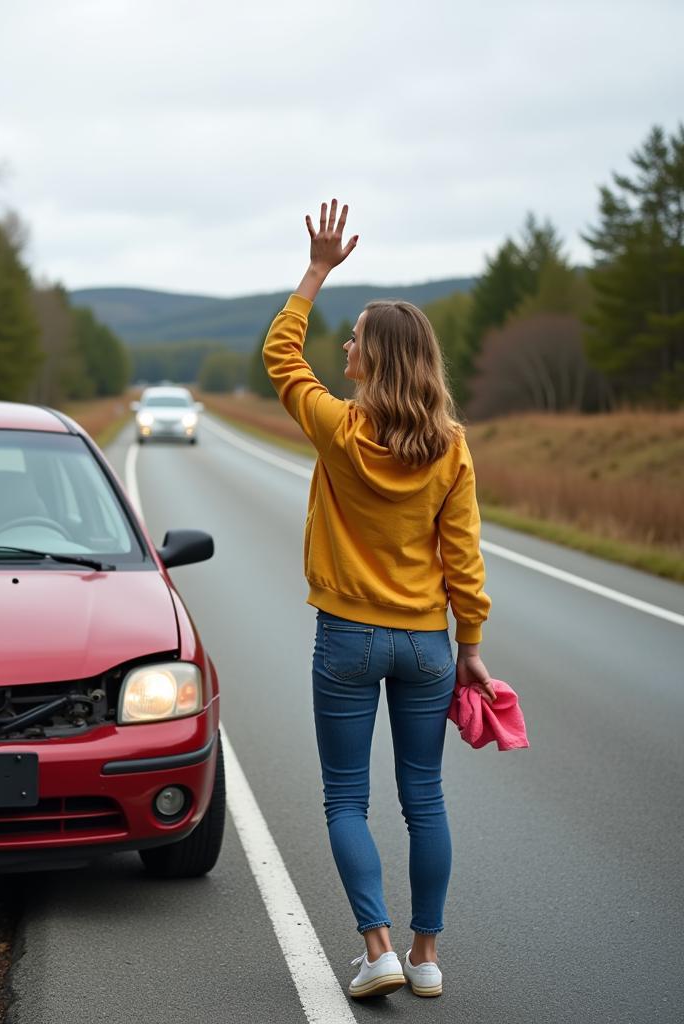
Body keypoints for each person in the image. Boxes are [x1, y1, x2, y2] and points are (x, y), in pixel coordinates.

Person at [262, 200, 496, 1001]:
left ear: (377, 359)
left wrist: (318, 271)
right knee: (424, 799)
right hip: (428, 644)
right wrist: (470, 643)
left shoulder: (338, 427)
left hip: (349, 638)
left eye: (356, 337)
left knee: (345, 798)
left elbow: (280, 356)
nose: (346, 345)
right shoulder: (451, 445)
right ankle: (427, 957)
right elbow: (462, 555)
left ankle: (378, 948)